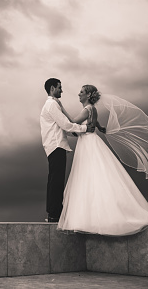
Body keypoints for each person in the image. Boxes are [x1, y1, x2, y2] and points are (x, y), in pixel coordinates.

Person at [57, 84, 148, 235]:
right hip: (91, 141)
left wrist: (60, 107)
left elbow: (71, 121)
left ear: (88, 95)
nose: (79, 94)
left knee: (88, 176)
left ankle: (92, 217)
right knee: (96, 175)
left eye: (82, 92)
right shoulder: (93, 110)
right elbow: (97, 126)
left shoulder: (86, 110)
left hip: (87, 144)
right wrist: (101, 128)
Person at [40, 78, 95, 223]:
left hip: (55, 145)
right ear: (52, 88)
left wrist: (76, 133)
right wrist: (85, 129)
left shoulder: (52, 104)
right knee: (56, 181)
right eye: (59, 88)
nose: (61, 90)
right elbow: (65, 124)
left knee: (54, 180)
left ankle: (53, 213)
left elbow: (61, 127)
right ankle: (54, 215)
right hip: (56, 145)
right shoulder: (52, 104)